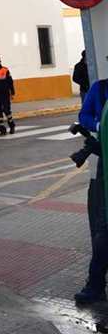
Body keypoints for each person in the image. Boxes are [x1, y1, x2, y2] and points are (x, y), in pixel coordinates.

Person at [73, 69, 108, 305]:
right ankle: (95, 285)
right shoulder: (101, 90)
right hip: (105, 173)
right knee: (103, 234)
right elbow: (85, 116)